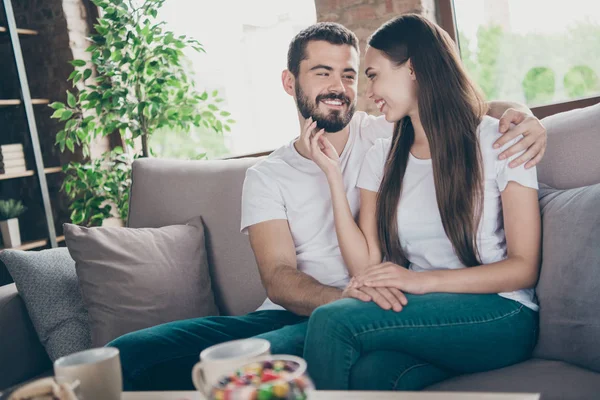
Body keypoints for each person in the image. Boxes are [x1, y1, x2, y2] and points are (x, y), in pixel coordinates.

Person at [108, 21, 547, 391]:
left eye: (355, 75)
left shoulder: (384, 131)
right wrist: (351, 298)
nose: (342, 87)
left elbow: (455, 110)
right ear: (290, 82)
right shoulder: (270, 174)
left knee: (299, 346)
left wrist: (525, 116)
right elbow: (279, 279)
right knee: (128, 355)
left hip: (377, 308)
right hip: (322, 307)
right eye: (322, 72)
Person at [302, 14, 541, 391]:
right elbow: (366, 265)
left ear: (412, 69)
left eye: (374, 74)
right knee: (373, 373)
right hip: (433, 316)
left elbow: (524, 268)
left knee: (331, 321)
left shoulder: (499, 141)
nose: (369, 92)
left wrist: (419, 281)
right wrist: (332, 176)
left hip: (502, 313)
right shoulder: (383, 155)